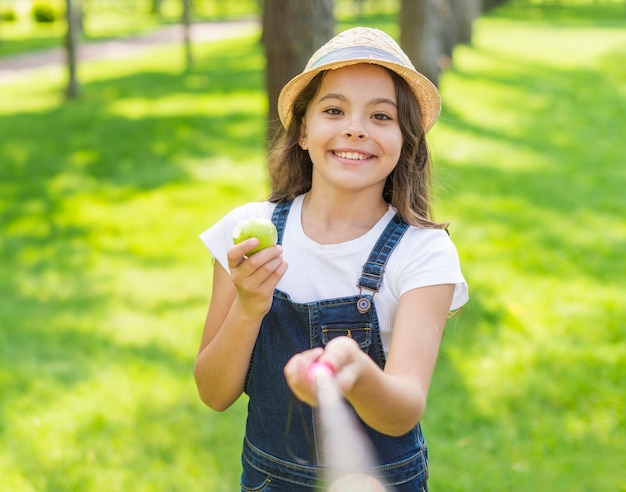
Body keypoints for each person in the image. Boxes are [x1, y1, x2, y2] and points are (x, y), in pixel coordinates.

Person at [195, 26, 468, 491]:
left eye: (381, 116)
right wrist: (248, 306)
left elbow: (403, 409)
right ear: (303, 130)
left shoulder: (422, 253)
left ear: (406, 140)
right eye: (334, 110)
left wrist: (358, 376)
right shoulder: (247, 235)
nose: (355, 128)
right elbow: (213, 392)